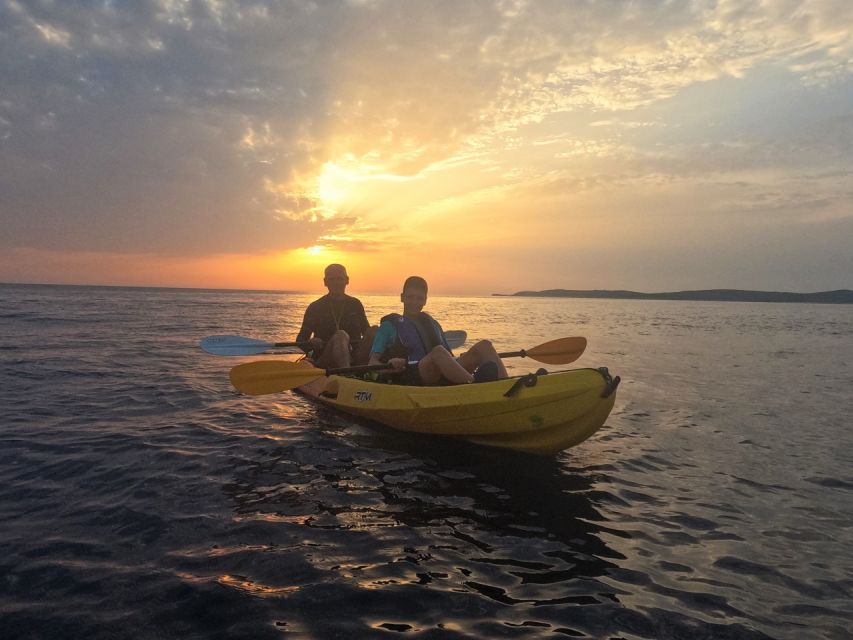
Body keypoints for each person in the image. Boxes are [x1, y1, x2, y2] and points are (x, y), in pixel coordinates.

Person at [369, 276, 508, 385]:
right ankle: (475, 386)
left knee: (485, 346)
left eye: (419, 298)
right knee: (438, 352)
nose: (414, 302)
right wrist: (389, 366)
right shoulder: (388, 326)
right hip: (412, 374)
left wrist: (457, 359)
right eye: (410, 297)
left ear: (425, 300)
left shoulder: (432, 323)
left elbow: (448, 355)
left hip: (444, 372)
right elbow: (372, 363)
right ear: (402, 297)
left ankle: (504, 386)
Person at [296, 264, 374, 368]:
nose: (336, 283)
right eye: (331, 279)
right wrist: (310, 343)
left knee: (375, 330)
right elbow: (300, 341)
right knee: (340, 336)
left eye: (339, 279)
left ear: (347, 280)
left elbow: (366, 331)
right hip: (325, 360)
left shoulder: (355, 304)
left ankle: (379, 368)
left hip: (355, 358)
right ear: (325, 282)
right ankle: (347, 373)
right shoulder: (315, 307)